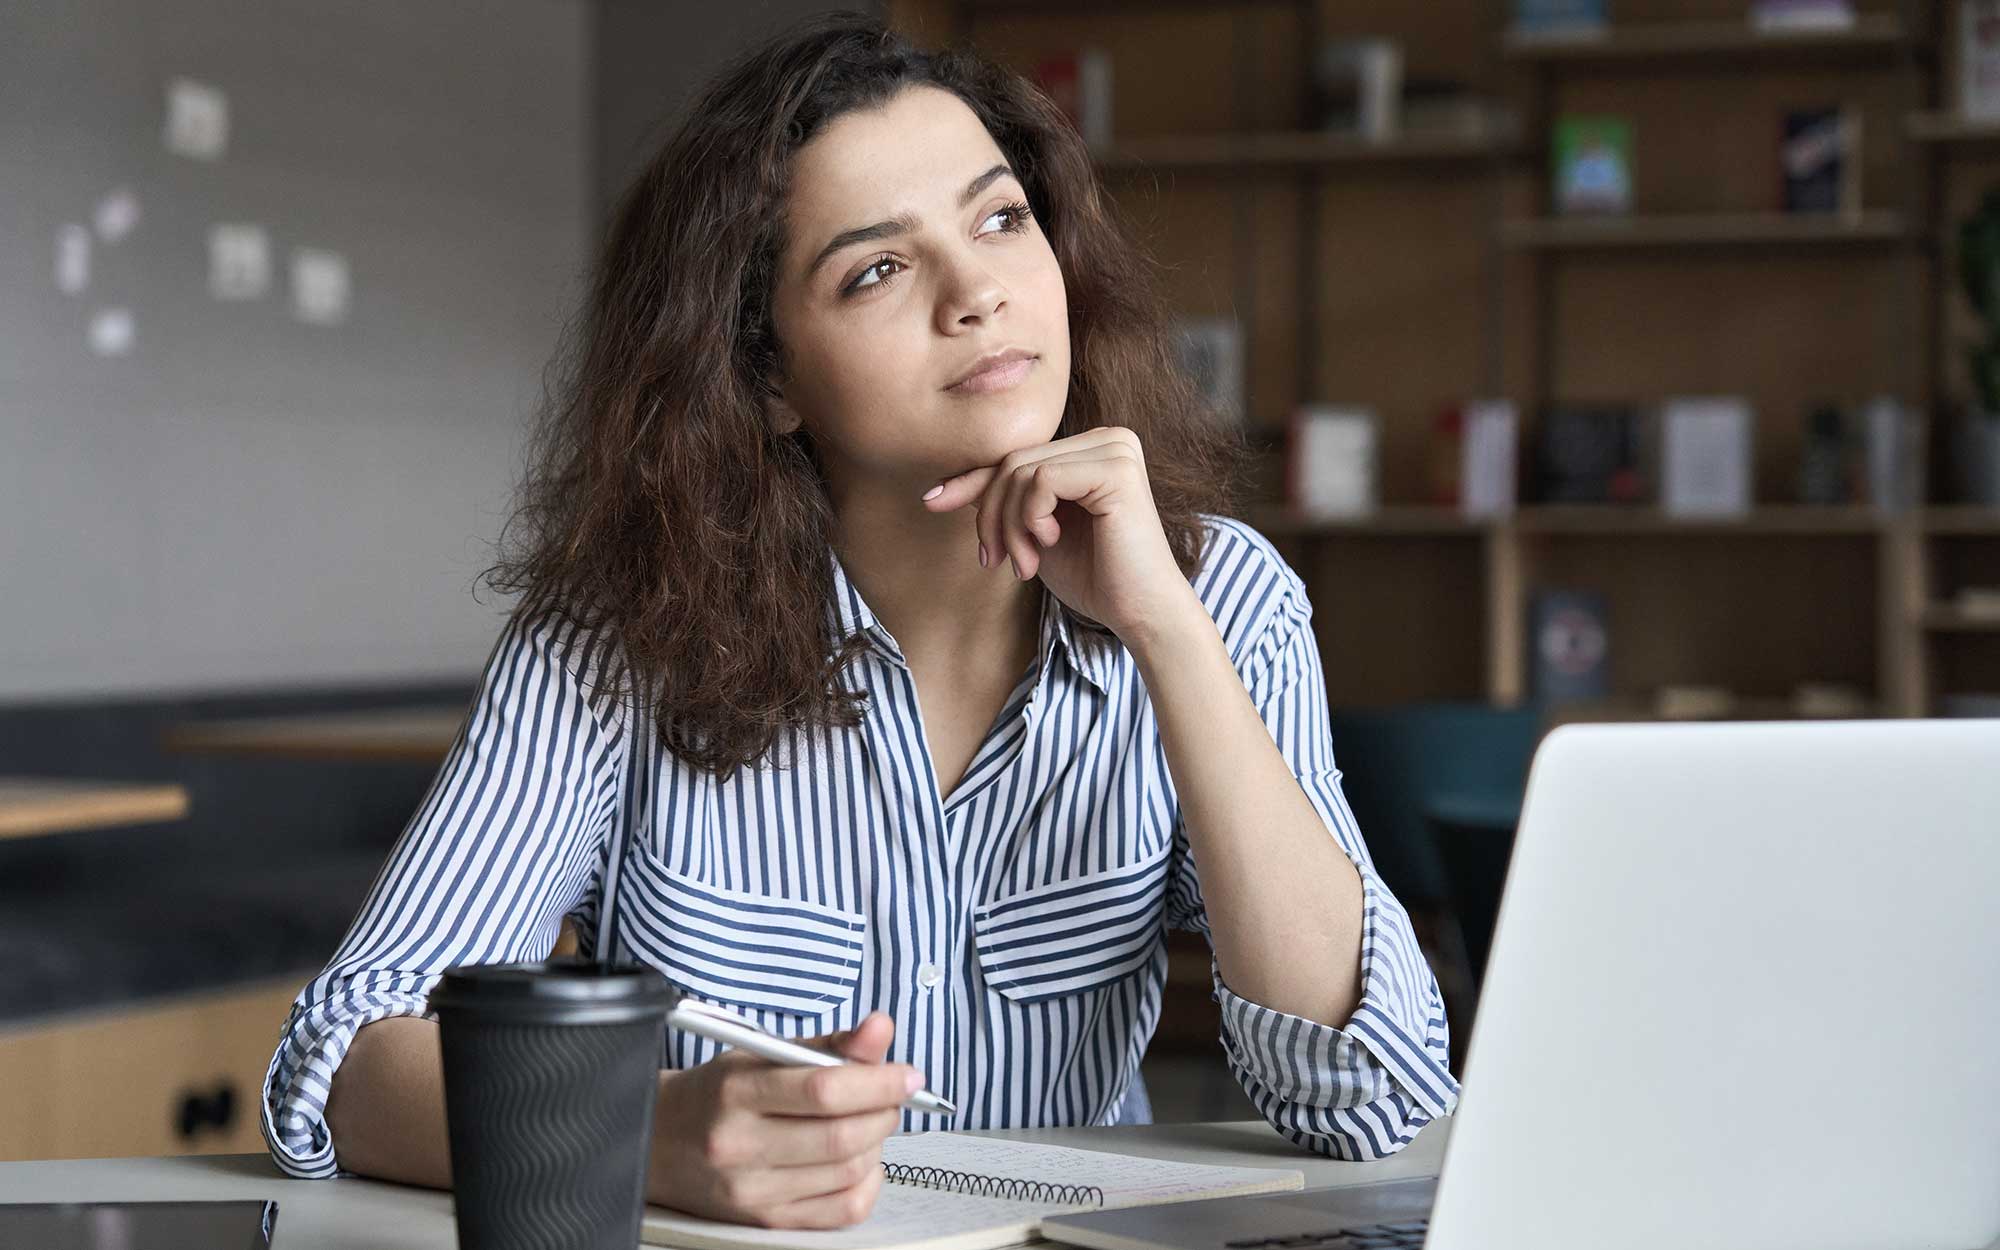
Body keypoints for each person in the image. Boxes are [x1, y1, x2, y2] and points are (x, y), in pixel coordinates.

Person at [260, 11, 1457, 1231]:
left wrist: (1165, 629)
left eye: (1000, 219)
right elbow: (347, 1062)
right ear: (767, 377)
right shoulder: (615, 641)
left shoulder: (1220, 599)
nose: (977, 292)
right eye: (876, 268)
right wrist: (645, 1134)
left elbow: (1369, 1095)